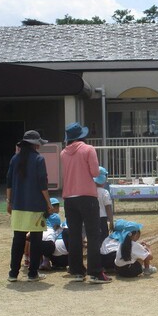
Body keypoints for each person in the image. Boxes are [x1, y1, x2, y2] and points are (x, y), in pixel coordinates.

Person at [60, 122, 112, 284]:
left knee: (75, 235)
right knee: (93, 234)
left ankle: (76, 270)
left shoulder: (63, 153)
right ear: (82, 136)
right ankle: (95, 272)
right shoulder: (89, 149)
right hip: (87, 196)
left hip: (69, 197)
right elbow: (95, 172)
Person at [6, 130, 55, 282]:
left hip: (19, 204)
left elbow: (9, 182)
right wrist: (48, 203)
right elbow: (43, 184)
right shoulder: (39, 159)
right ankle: (32, 273)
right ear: (34, 144)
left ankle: (13, 273)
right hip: (35, 205)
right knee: (36, 240)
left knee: (18, 239)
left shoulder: (15, 158)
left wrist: (9, 202)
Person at [23, 197, 60, 268]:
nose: (57, 208)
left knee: (32, 241)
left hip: (36, 239)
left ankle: (30, 260)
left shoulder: (41, 215)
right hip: (48, 243)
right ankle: (46, 260)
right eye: (55, 206)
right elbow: (57, 231)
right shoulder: (56, 217)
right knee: (53, 240)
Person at [95, 166, 114, 241]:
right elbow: (108, 208)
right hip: (102, 219)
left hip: (91, 218)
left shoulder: (90, 192)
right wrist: (111, 221)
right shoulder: (104, 192)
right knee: (104, 239)